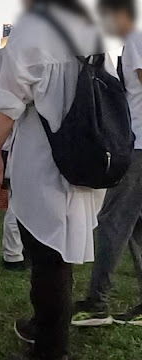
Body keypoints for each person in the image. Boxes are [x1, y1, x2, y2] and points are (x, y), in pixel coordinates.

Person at [0, 1, 103, 359]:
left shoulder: (31, 32)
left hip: (44, 158)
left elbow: (9, 104)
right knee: (57, 254)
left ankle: (51, 348)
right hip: (85, 154)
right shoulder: (89, 30)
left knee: (46, 257)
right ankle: (44, 327)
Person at [71, 0, 142, 327]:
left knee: (112, 222)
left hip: (139, 146)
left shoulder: (139, 37)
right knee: (135, 228)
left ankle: (97, 304)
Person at [1, 129, 25, 272]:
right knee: (15, 210)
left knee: (20, 209)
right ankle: (12, 255)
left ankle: (16, 252)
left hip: (19, 157)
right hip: (19, 159)